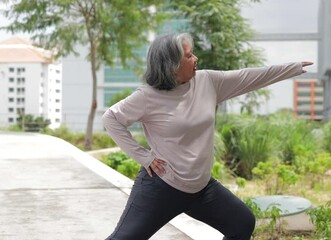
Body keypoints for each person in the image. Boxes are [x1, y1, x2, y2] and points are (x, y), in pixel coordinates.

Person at [102, 32, 313, 240]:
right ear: (172, 64)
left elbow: (248, 77)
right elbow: (111, 118)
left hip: (201, 188)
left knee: (242, 223)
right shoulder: (147, 96)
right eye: (188, 55)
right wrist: (144, 157)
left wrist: (292, 68)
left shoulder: (207, 81)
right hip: (162, 187)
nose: (195, 59)